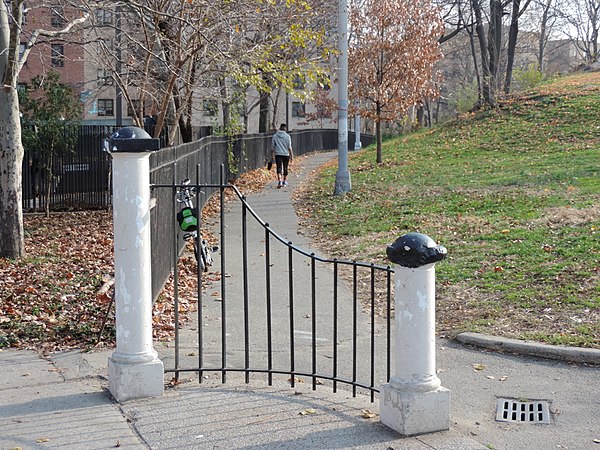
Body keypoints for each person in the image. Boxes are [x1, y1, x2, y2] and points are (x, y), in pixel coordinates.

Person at [271, 123, 293, 188]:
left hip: (278, 154)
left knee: (279, 167)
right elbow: (289, 147)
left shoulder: (275, 136)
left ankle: (279, 181)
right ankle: (284, 181)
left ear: (280, 128)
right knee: (285, 167)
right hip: (286, 154)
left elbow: (272, 147)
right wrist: (292, 156)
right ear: (285, 129)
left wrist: (272, 155)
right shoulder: (287, 136)